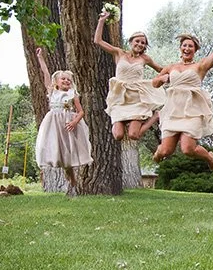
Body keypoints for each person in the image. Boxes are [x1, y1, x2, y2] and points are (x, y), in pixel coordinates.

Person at [152, 16, 213, 170]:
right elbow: (154, 83)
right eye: (184, 45)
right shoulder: (171, 67)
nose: (187, 48)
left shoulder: (201, 66)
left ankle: (209, 157)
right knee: (166, 150)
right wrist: (162, 79)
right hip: (173, 110)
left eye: (190, 46)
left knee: (187, 149)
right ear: (180, 48)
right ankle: (158, 153)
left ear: (195, 50)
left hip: (192, 110)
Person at [94, 10, 165, 140]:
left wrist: (177, 70)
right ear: (131, 42)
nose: (140, 44)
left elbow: (161, 69)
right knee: (118, 135)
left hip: (136, 97)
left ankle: (156, 116)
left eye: (143, 43)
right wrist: (102, 21)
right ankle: (120, 119)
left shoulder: (145, 59)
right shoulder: (119, 53)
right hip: (119, 96)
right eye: (137, 41)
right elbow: (98, 41)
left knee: (133, 135)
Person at [33, 47, 93, 186]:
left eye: (69, 79)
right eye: (63, 79)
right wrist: (40, 58)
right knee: (56, 146)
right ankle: (66, 172)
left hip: (68, 123)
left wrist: (75, 122)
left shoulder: (73, 94)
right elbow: (46, 74)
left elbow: (81, 112)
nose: (66, 81)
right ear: (56, 82)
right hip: (54, 123)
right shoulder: (52, 92)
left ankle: (71, 176)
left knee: (69, 149)